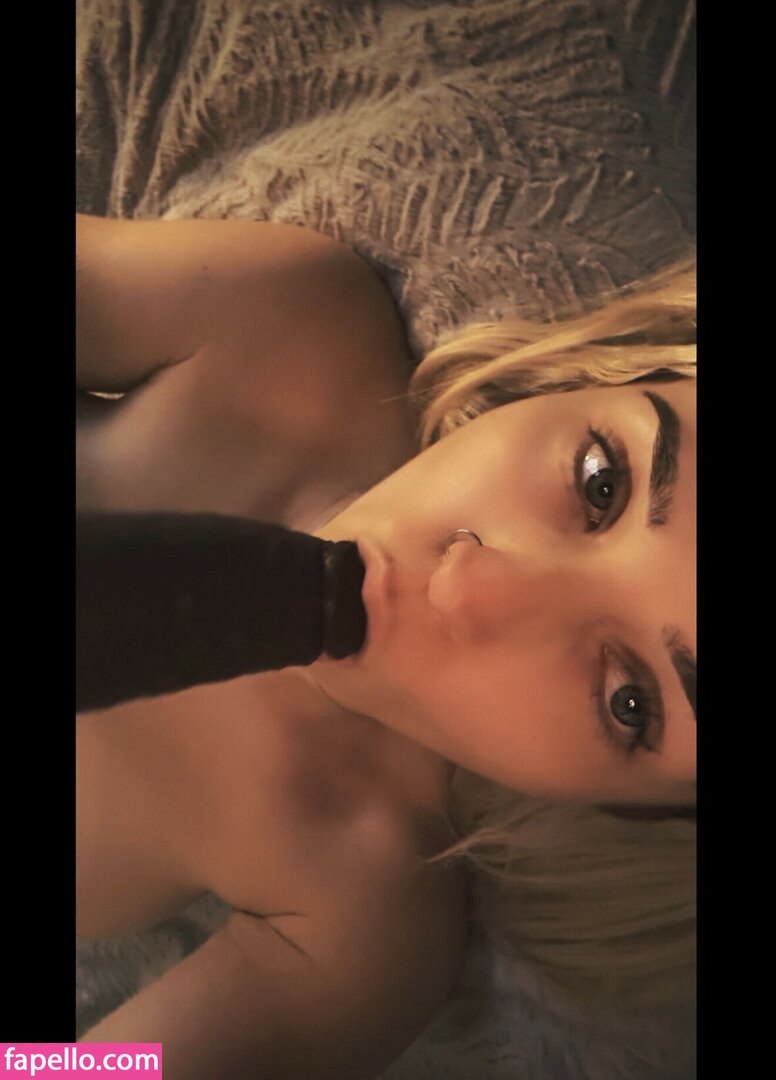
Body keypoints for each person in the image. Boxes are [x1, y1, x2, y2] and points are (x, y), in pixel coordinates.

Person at [76, 213, 696, 1078]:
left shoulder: (365, 919)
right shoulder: (289, 326)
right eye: (601, 481)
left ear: (631, 810)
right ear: (580, 377)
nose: (467, 586)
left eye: (630, 701)